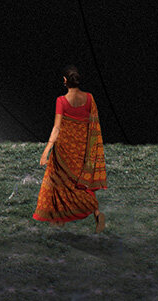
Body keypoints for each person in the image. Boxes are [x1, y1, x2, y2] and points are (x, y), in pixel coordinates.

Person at [33, 65, 107, 231]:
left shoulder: (61, 101)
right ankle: (96, 213)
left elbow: (57, 128)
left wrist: (46, 151)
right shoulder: (89, 98)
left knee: (57, 182)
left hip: (64, 149)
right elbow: (92, 124)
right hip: (83, 149)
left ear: (65, 81)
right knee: (83, 182)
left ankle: (59, 220)